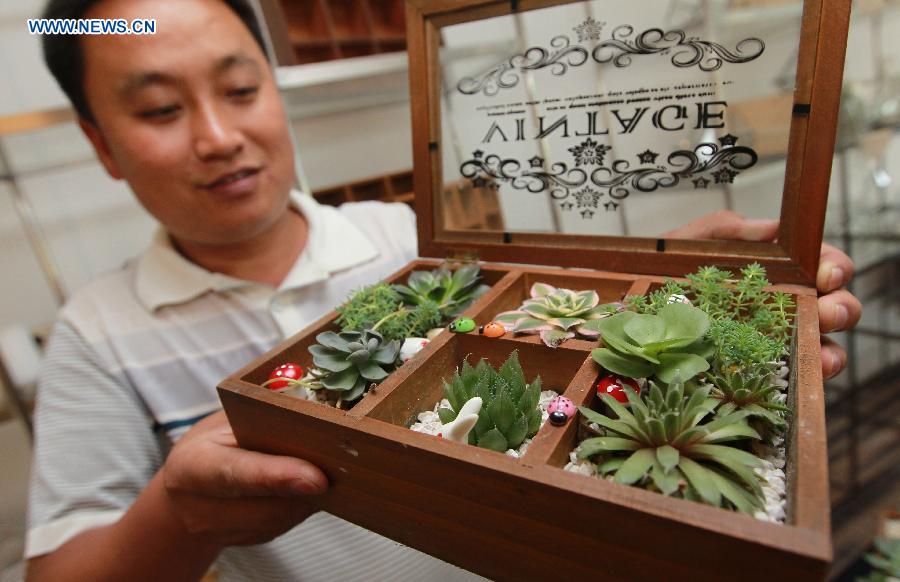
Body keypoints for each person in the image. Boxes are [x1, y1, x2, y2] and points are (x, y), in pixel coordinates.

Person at [26, 0, 862, 580]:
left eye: (241, 90)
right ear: (102, 146)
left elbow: (553, 288)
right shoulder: (96, 335)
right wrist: (174, 512)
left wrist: (649, 267)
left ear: (273, 93)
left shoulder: (405, 245)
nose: (219, 137)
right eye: (162, 110)